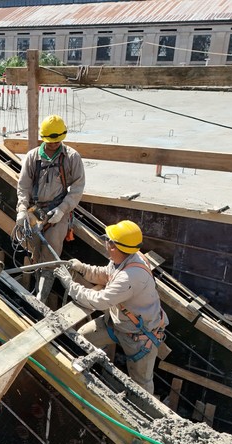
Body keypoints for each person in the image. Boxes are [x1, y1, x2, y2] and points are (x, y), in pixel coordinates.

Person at [54, 220, 167, 394]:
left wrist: (70, 285)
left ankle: (143, 410)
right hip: (116, 323)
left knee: (141, 385)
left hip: (140, 336)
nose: (106, 242)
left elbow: (99, 301)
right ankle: (89, 370)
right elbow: (107, 275)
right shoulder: (126, 258)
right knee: (83, 338)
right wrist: (83, 268)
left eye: (108, 240)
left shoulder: (130, 277)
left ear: (114, 246)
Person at [15, 115, 86, 303]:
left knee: (51, 254)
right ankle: (36, 285)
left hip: (57, 211)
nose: (54, 144)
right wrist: (22, 209)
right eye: (50, 141)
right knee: (35, 250)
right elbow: (23, 186)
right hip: (35, 210)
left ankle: (41, 298)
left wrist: (62, 209)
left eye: (57, 141)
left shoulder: (71, 157)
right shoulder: (33, 157)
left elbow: (77, 188)